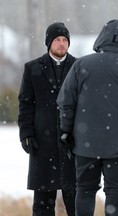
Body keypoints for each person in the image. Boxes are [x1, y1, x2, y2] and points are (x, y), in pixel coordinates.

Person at [56, 19, 118, 216]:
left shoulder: (81, 65)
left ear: (102, 37)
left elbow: (66, 102)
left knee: (85, 189)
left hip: (86, 143)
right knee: (116, 191)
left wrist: (66, 131)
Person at [18, 22, 77, 216]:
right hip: (43, 143)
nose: (61, 44)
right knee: (43, 203)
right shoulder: (33, 68)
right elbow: (25, 103)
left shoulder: (79, 67)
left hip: (73, 143)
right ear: (48, 43)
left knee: (76, 201)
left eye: (65, 40)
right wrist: (26, 133)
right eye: (57, 40)